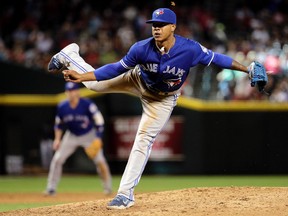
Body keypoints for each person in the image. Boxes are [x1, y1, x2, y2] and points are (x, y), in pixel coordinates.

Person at [47, 8, 265, 209]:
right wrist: (83, 76)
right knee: (94, 85)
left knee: (143, 139)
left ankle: (124, 194)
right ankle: (70, 56)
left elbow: (219, 59)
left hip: (162, 100)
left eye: (161, 24)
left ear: (173, 27)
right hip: (137, 81)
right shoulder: (141, 48)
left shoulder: (189, 49)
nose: (156, 28)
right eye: (154, 24)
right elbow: (114, 69)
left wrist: (247, 70)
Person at [44, 82, 112, 196]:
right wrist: (57, 139)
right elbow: (58, 125)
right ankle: (51, 188)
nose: (71, 93)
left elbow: (99, 120)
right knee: (57, 159)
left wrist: (98, 138)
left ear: (77, 92)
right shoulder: (62, 106)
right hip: (71, 135)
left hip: (88, 135)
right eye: (69, 91)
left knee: (100, 161)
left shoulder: (87, 104)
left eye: (73, 90)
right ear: (66, 92)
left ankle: (108, 188)